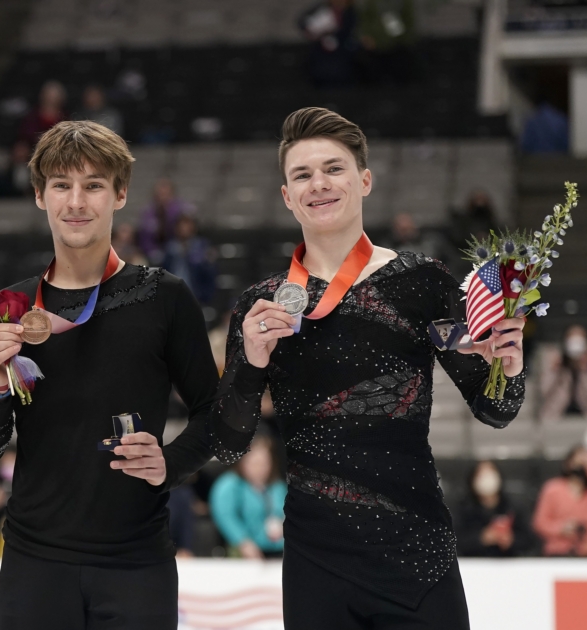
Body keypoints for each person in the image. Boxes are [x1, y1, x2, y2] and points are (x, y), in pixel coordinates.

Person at [212, 107, 527, 629]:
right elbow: (227, 444)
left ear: (364, 179)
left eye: (333, 168)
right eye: (302, 175)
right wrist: (252, 363)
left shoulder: (423, 281)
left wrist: (508, 368)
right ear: (287, 196)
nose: (319, 184)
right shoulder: (261, 306)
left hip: (417, 552)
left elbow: (496, 410)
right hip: (317, 563)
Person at [0, 120, 220, 629]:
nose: (76, 201)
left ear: (120, 194)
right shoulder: (11, 306)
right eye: (61, 185)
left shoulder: (165, 296)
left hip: (136, 562)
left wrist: (170, 462)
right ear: (40, 195)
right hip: (33, 563)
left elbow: (216, 413)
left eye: (94, 185)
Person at [209, 433, 286, 559]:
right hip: (244, 551)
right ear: (243, 462)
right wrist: (243, 542)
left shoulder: (277, 485)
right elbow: (226, 516)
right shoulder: (229, 485)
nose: (260, 468)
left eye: (264, 463)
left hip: (278, 548)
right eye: (255, 463)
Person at [455, 460, 533, 557]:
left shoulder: (513, 506)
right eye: (481, 475)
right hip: (473, 564)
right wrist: (481, 538)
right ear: (472, 480)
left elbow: (529, 540)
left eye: (491, 473)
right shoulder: (463, 508)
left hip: (508, 564)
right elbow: (454, 540)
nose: (487, 479)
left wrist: (511, 540)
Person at [532, 446, 587, 557]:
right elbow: (539, 523)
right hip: (558, 553)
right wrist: (561, 528)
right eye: (577, 462)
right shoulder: (553, 489)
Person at [136, 177, 196, 265]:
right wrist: (151, 251)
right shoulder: (148, 212)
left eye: (166, 194)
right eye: (160, 194)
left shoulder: (180, 209)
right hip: (155, 250)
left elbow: (187, 230)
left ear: (172, 194)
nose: (162, 197)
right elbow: (145, 237)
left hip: (177, 246)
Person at [540, 325, 587, 421]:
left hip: (586, 418)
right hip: (555, 416)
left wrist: (585, 370)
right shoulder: (556, 361)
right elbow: (544, 390)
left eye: (579, 340)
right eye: (572, 339)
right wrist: (554, 371)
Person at [162, 215, 216, 306]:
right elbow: (164, 270)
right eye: (181, 226)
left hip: (196, 293)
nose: (184, 229)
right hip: (173, 293)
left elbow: (209, 272)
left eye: (187, 225)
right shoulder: (170, 247)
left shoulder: (203, 246)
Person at [18, 81, 67, 147]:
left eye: (54, 95)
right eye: (49, 95)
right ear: (43, 95)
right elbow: (26, 135)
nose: (51, 98)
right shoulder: (33, 115)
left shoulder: (64, 117)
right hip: (33, 148)